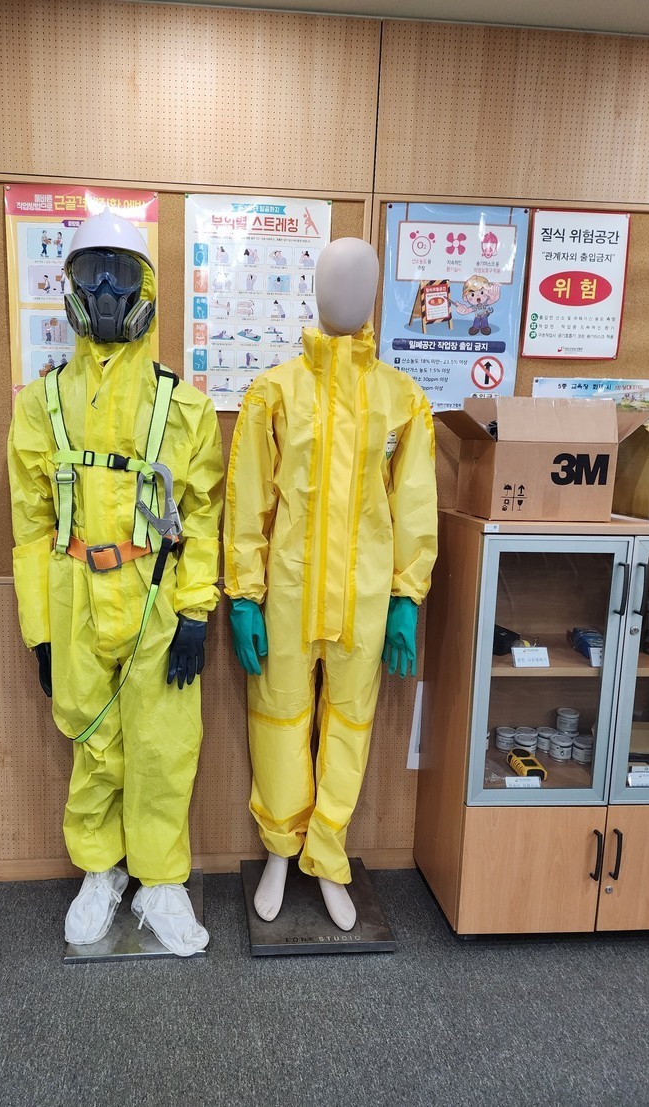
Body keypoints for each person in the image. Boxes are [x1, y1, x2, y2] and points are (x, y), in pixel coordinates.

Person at [8, 210, 223, 956]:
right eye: (91, 274)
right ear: (69, 287)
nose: (106, 291)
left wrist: (195, 612)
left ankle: (161, 881)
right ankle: (101, 871)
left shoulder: (183, 406)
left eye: (121, 273)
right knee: (92, 743)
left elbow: (203, 515)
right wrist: (39, 631)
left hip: (154, 593)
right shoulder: (39, 406)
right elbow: (31, 526)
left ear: (146, 289)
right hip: (73, 596)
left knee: (164, 746)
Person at [224, 238, 437, 931]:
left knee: (349, 724)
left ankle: (327, 854)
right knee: (279, 718)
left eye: (361, 282)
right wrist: (244, 595)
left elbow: (414, 504)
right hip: (287, 594)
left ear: (376, 295)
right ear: (315, 289)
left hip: (366, 597)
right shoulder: (274, 392)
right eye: (334, 281)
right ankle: (280, 851)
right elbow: (249, 501)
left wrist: (406, 596)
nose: (346, 294)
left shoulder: (403, 399)